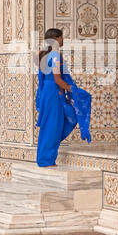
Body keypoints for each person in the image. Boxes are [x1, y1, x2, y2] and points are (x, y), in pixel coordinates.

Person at [35, 28, 92, 167]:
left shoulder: (42, 54)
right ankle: (46, 159)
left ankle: (45, 157)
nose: (63, 40)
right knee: (53, 125)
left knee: (53, 123)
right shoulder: (54, 55)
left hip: (48, 93)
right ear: (57, 38)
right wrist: (72, 89)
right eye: (62, 37)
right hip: (54, 93)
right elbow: (57, 79)